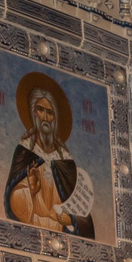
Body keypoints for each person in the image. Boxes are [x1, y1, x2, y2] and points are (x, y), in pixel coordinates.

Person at [5, 74, 98, 238]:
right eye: (40, 110)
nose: (45, 118)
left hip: (62, 235)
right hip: (33, 233)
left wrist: (71, 220)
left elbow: (81, 208)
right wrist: (30, 192)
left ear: (56, 118)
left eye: (50, 112)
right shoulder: (25, 152)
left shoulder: (66, 162)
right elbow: (13, 203)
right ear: (33, 113)